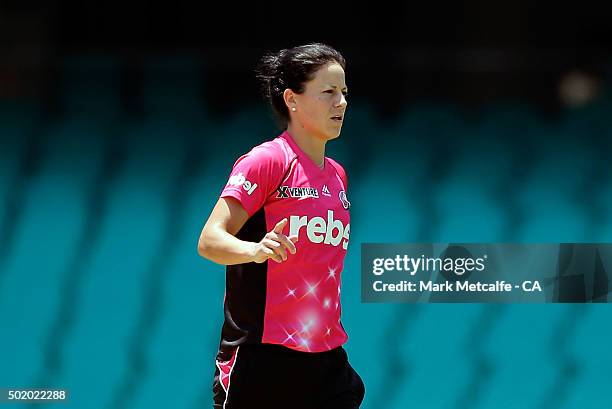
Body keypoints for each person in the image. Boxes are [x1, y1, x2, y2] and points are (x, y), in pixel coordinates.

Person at [198, 43, 365, 409]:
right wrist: (254, 250)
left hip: (326, 360)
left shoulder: (337, 176)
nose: (341, 103)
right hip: (263, 358)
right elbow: (210, 240)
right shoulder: (268, 161)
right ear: (292, 99)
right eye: (328, 92)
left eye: (344, 93)